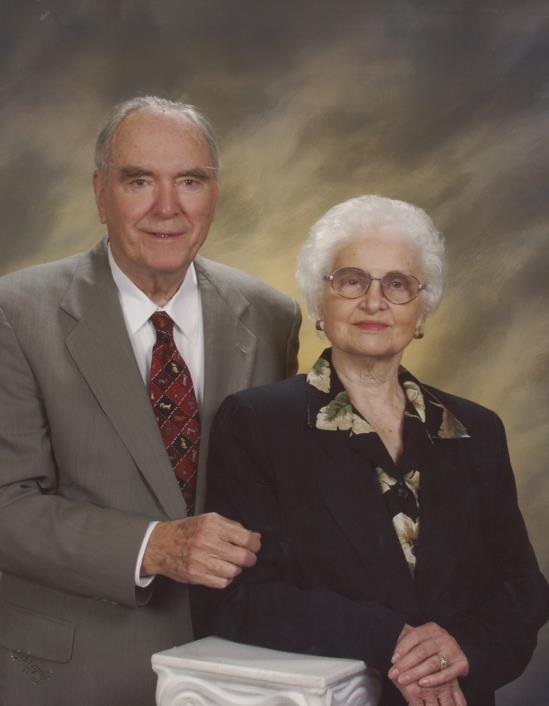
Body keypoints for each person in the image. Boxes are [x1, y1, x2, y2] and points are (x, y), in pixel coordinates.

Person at [0, 95, 301, 706]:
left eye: (190, 181)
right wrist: (152, 546)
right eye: (139, 180)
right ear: (100, 192)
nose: (168, 207)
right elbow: (7, 504)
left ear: (213, 193)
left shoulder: (272, 317)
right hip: (74, 674)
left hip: (241, 672)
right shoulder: (16, 315)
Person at [197, 195, 549, 706]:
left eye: (398, 284)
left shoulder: (477, 429)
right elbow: (244, 598)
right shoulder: (256, 423)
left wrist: (462, 650)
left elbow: (522, 587)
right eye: (352, 281)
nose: (374, 302)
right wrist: (392, 640)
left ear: (421, 310)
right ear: (320, 303)